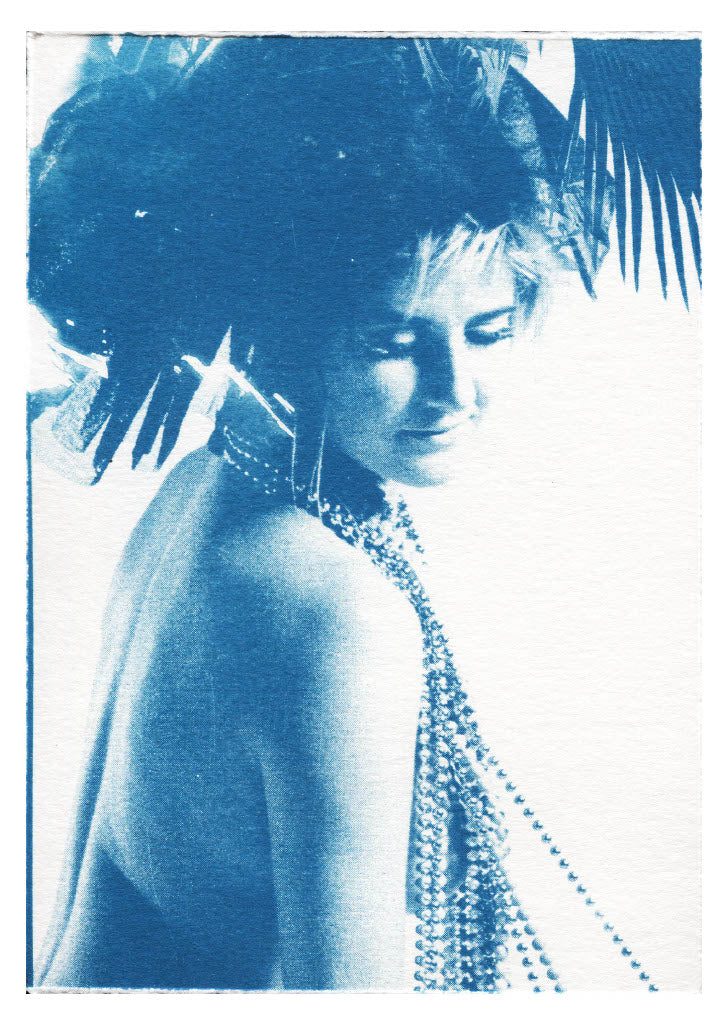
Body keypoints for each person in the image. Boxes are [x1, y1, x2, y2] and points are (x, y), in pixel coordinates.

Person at [30, 37, 695, 992]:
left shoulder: (207, 495)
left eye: (488, 331)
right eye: (393, 341)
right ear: (291, 330)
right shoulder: (331, 605)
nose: (454, 389)